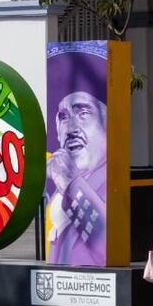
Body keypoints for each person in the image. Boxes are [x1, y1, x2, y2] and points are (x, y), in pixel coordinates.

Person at [46, 90, 108, 266]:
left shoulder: (110, 179)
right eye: (64, 117)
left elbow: (108, 239)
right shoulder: (67, 178)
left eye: (84, 113)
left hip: (95, 284)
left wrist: (71, 183)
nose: (71, 129)